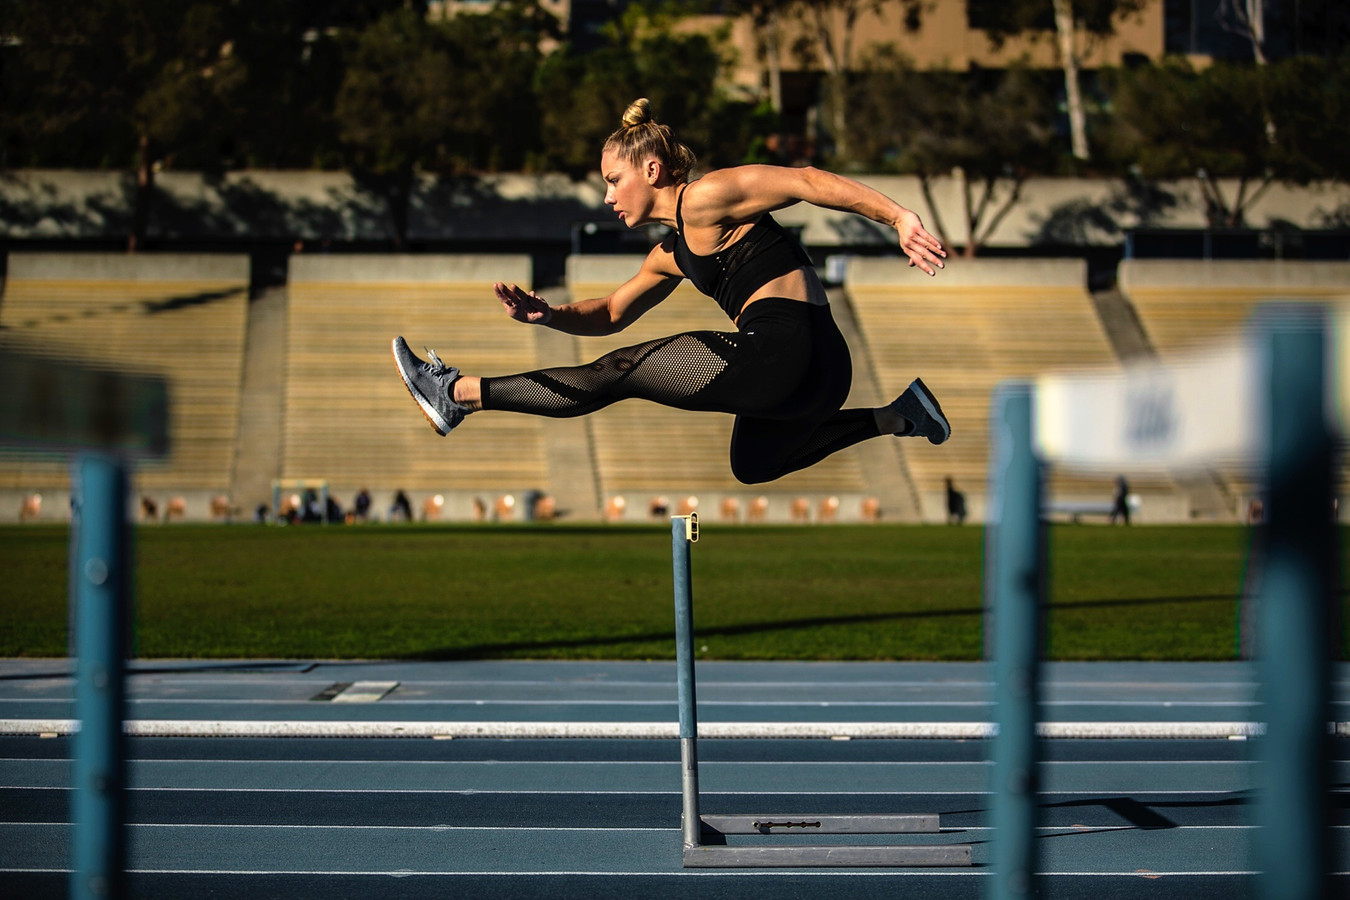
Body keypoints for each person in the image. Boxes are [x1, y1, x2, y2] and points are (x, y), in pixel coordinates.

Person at [393, 98, 950, 485]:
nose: (609, 196)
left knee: (622, 371)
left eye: (614, 180)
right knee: (754, 464)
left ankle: (458, 393)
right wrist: (550, 314)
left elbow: (805, 180)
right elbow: (611, 311)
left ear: (652, 169)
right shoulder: (671, 253)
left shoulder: (709, 196)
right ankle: (896, 417)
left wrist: (897, 217)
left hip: (791, 349)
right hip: (822, 375)